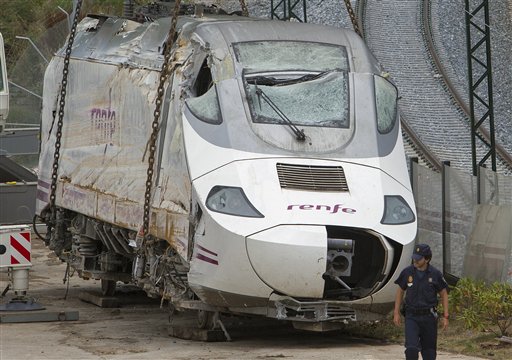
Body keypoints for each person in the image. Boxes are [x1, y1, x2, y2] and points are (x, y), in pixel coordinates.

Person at [393, 244, 449, 360]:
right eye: (414, 257)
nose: (415, 260)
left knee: (429, 354)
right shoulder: (407, 272)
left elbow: (443, 293)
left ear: (427, 259)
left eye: (419, 258)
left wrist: (445, 316)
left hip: (429, 318)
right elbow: (400, 291)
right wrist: (396, 312)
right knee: (411, 350)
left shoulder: (435, 274)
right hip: (412, 316)